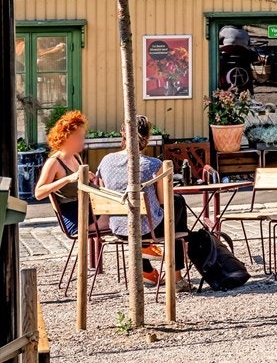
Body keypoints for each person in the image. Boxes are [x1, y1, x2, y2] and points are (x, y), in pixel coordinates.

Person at [97, 115, 189, 283]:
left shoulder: (105, 161)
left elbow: (105, 194)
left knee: (162, 211)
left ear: (122, 132)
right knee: (175, 205)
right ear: (148, 136)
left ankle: (147, 268)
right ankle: (176, 278)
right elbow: (164, 201)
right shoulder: (153, 165)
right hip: (147, 230)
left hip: (118, 228)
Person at [33, 110, 107, 240]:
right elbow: (39, 193)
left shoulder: (76, 157)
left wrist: (90, 177)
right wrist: (68, 179)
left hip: (85, 208)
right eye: (78, 137)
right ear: (66, 137)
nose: (82, 140)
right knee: (117, 221)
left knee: (122, 215)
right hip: (73, 217)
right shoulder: (54, 162)